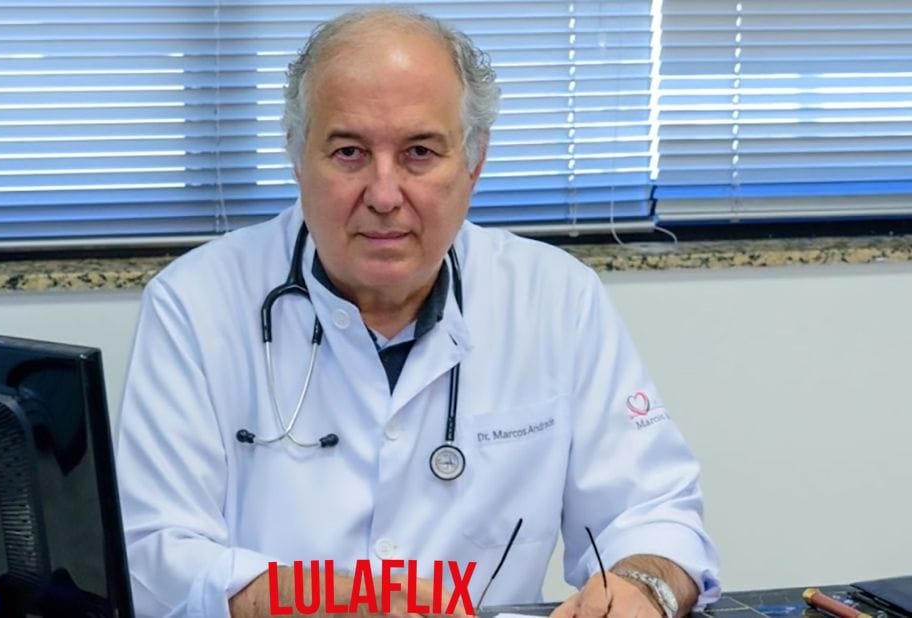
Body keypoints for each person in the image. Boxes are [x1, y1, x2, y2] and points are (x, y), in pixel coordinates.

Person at [116, 6, 720, 618]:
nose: (384, 195)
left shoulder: (556, 299)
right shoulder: (195, 304)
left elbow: (654, 513)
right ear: (297, 157)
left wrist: (646, 585)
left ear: (474, 160)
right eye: (349, 152)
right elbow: (152, 551)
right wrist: (314, 600)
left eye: (420, 152)